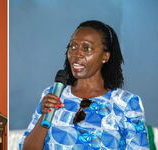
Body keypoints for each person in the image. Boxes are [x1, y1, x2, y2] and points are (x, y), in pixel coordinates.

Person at [20, 20, 149, 149]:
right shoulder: (53, 94)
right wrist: (45, 115)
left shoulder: (125, 103)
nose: (77, 54)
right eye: (73, 46)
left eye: (87, 48)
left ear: (105, 56)